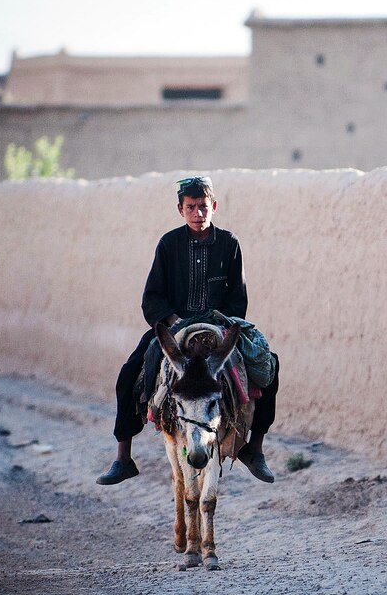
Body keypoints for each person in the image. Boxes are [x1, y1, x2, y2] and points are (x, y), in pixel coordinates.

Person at [97, 175, 277, 485]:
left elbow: (238, 298)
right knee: (130, 373)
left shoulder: (230, 243)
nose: (198, 213)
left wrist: (222, 323)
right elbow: (151, 298)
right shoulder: (168, 244)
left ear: (214, 207)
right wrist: (174, 321)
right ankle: (123, 458)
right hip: (174, 326)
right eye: (191, 207)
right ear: (180, 209)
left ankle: (254, 450)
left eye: (203, 207)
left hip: (218, 326)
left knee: (269, 367)